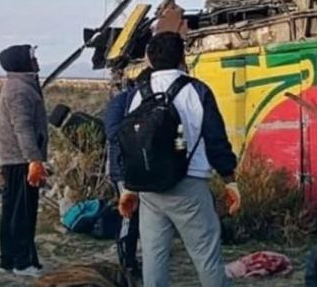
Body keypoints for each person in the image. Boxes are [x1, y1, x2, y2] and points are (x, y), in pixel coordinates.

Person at [113, 32, 242, 287]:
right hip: (188, 187)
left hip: (148, 190)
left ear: (149, 59)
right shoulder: (197, 90)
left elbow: (129, 143)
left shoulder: (139, 94)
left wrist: (128, 188)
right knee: (206, 258)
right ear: (183, 57)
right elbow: (215, 140)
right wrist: (230, 180)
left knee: (153, 258)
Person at [0, 44, 48, 278]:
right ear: (22, 63)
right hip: (20, 161)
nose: (36, 61)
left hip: (16, 160)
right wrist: (34, 160)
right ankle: (22, 262)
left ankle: (9, 259)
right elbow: (23, 128)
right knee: (22, 213)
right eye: (32, 57)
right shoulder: (19, 89)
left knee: (12, 211)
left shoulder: (20, 85)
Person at [104, 69, 150, 276]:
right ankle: (127, 263)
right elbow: (113, 132)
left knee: (136, 216)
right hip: (123, 169)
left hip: (138, 168)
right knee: (129, 216)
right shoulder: (121, 102)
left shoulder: (137, 100)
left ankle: (131, 259)